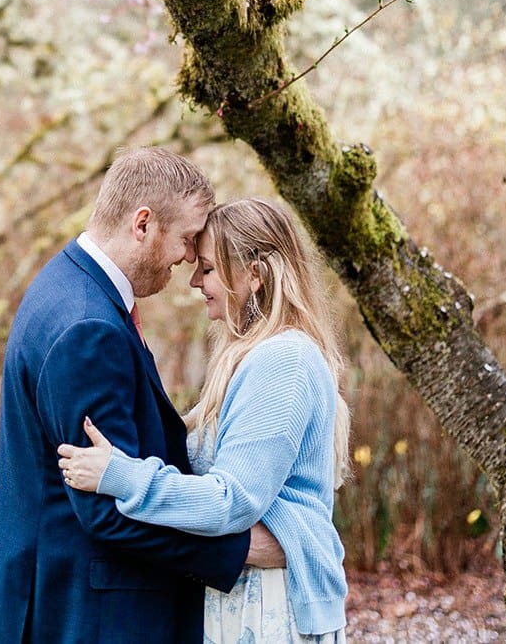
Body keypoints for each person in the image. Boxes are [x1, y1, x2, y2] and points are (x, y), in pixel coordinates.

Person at [0, 148, 284, 644]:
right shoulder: (88, 329)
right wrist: (238, 548)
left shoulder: (66, 285)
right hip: (88, 615)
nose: (188, 260)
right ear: (143, 224)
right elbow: (106, 508)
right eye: (186, 240)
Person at [57, 197, 351, 644]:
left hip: (270, 605)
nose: (195, 280)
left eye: (209, 268)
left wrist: (121, 476)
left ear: (255, 275)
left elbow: (232, 500)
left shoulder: (283, 359)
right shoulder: (252, 357)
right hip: (242, 591)